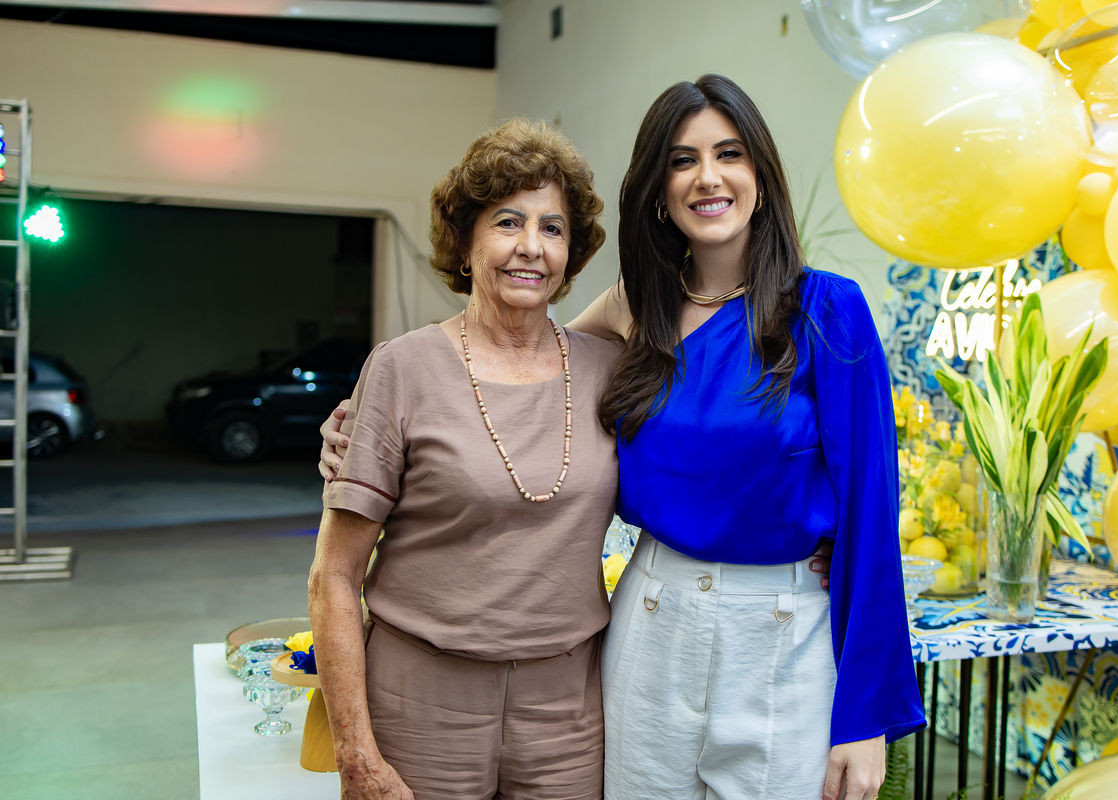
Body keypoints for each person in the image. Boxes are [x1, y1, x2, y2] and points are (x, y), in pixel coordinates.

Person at [321, 75, 918, 800]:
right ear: (659, 191)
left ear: (761, 174)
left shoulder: (828, 310)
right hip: (652, 619)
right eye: (682, 160)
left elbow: (873, 513)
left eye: (729, 154)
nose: (707, 177)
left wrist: (866, 717)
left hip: (779, 630)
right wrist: (364, 427)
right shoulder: (639, 310)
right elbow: (521, 367)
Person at [308, 118, 618, 800]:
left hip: (569, 712)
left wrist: (815, 535)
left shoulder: (607, 370)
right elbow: (333, 576)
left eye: (553, 228)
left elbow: (698, 467)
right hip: (419, 704)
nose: (530, 246)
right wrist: (355, 752)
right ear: (466, 240)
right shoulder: (403, 368)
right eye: (508, 222)